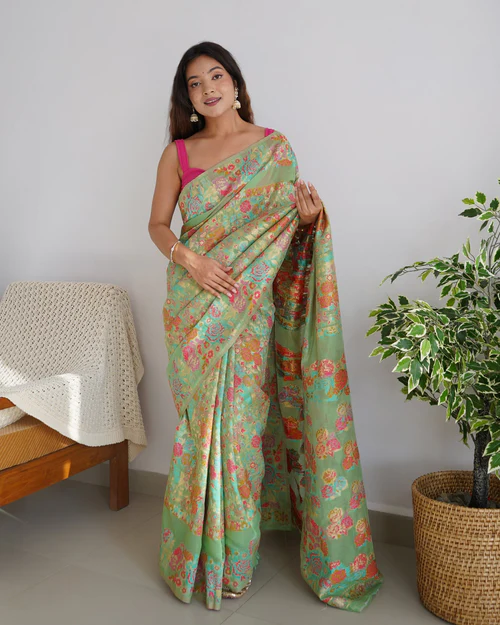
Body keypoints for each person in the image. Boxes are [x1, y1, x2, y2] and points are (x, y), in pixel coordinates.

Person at [148, 41, 383, 613]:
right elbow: (157, 225)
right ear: (187, 98)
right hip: (194, 308)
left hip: (250, 309)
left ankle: (234, 560)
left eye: (216, 76)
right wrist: (192, 262)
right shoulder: (178, 154)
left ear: (235, 83)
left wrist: (308, 221)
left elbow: (283, 242)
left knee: (242, 436)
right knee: (199, 432)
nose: (207, 88)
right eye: (195, 83)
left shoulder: (273, 149)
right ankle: (195, 554)